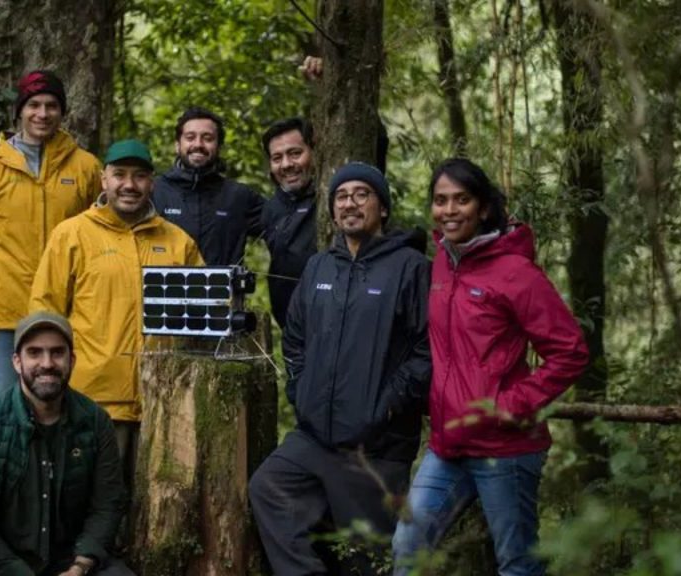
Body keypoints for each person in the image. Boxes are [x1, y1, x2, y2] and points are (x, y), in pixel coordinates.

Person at [391, 158, 589, 576]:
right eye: (440, 201)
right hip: (448, 445)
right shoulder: (444, 261)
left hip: (505, 448)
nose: (449, 210)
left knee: (517, 564)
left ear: (482, 208)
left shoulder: (516, 272)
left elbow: (570, 351)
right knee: (408, 545)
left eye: (461, 200)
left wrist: (511, 405)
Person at [249, 162, 432, 575]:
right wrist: (300, 389)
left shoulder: (410, 267)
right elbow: (293, 336)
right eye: (341, 196)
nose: (350, 203)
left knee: (365, 561)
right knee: (268, 487)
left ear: (382, 208)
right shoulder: (319, 267)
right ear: (332, 210)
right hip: (315, 436)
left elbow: (427, 349)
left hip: (377, 447)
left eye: (361, 194)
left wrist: (386, 405)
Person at [29, 139, 202, 487]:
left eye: (139, 176)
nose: (129, 184)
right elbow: (44, 314)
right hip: (95, 403)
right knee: (93, 501)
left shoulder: (178, 242)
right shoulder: (71, 235)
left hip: (165, 401)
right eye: (119, 174)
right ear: (103, 180)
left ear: (151, 183)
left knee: (159, 508)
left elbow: (206, 312)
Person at [0, 311, 135, 576]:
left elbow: (107, 505)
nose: (47, 363)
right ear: (17, 362)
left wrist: (80, 566)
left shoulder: (96, 423)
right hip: (1, 562)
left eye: (57, 352)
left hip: (69, 560)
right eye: (35, 353)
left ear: (72, 360)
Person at [0, 70, 102, 395]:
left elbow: (100, 232)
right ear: (19, 110)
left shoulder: (87, 168)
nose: (42, 114)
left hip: (68, 310)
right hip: (4, 310)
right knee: (7, 404)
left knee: (66, 403)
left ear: (62, 112)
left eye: (51, 106)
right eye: (34, 105)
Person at [152, 107, 264, 265]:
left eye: (208, 138)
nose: (198, 144)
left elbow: (281, 224)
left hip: (224, 289)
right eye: (190, 137)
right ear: (177, 145)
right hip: (165, 289)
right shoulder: (154, 191)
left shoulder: (238, 196)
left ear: (219, 147)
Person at [260, 117, 318, 329]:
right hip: (290, 327)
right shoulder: (271, 208)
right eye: (277, 158)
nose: (286, 165)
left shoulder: (333, 197)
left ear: (314, 151)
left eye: (295, 153)